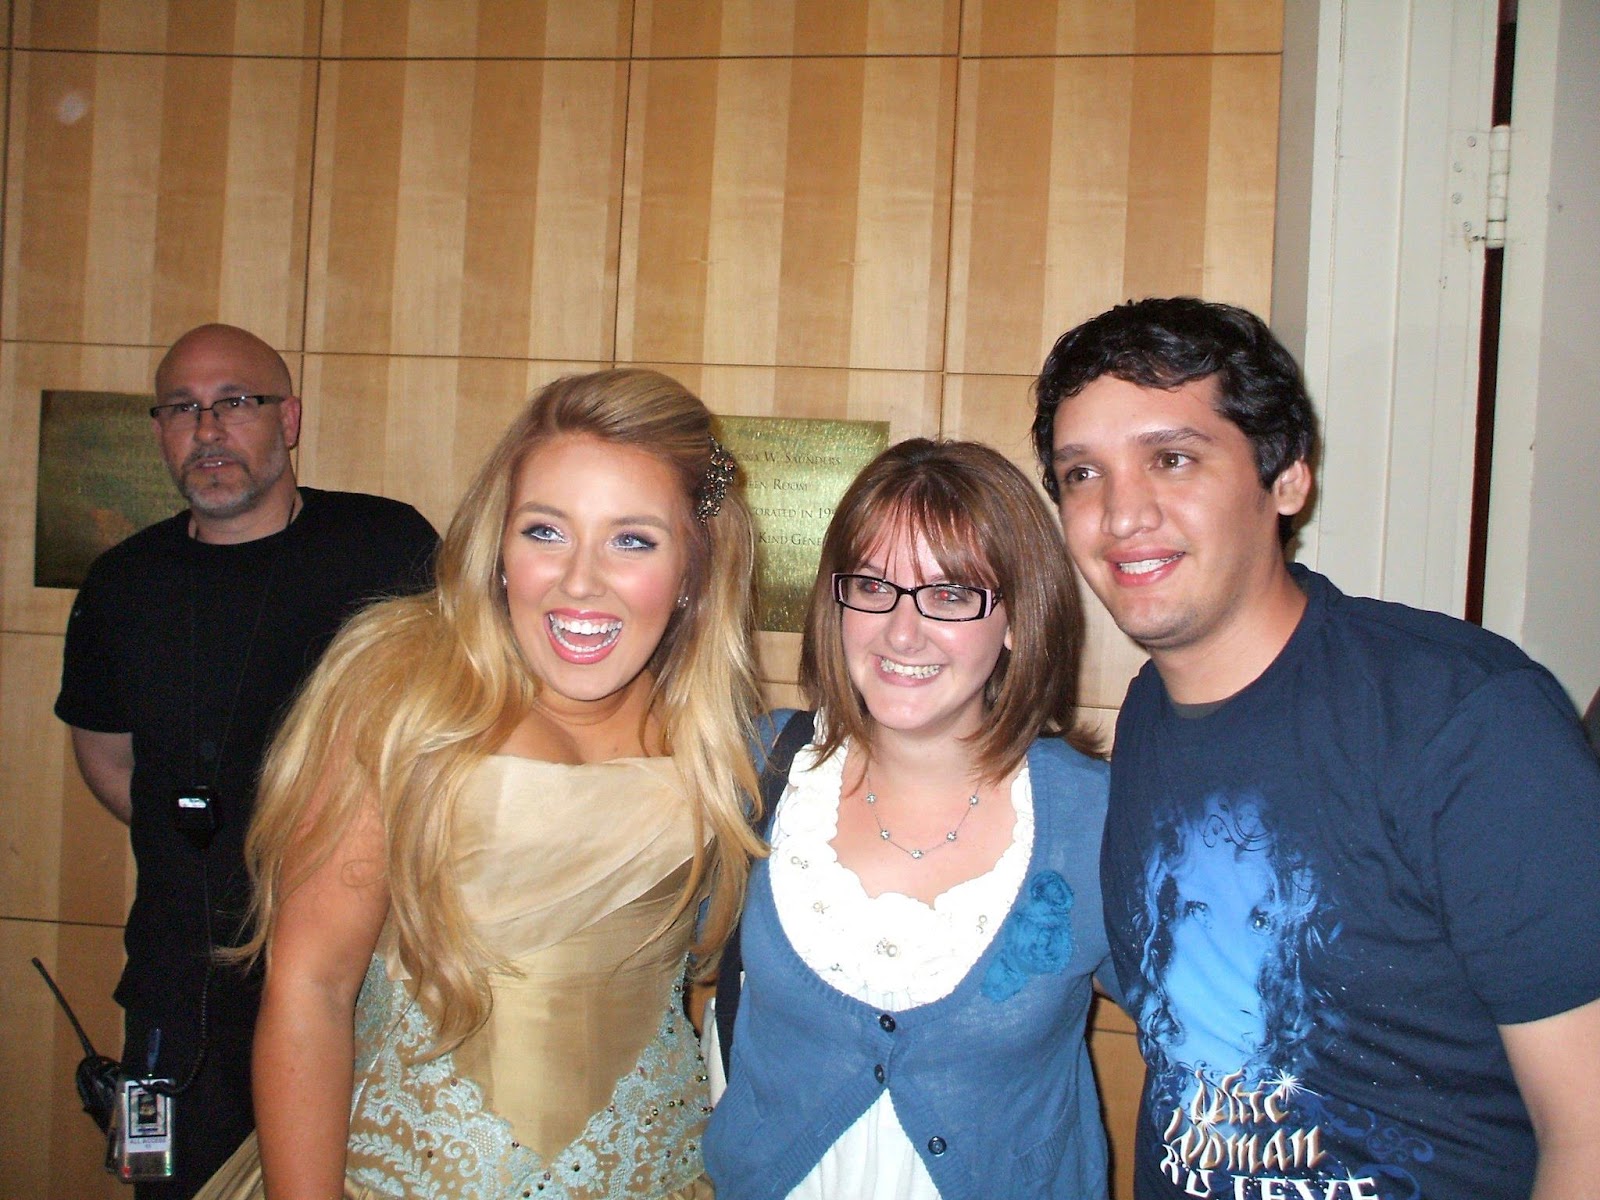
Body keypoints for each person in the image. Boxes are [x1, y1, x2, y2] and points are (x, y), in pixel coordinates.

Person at [1033, 296, 1600, 1200]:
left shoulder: (1462, 719)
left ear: (1287, 478)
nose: (1121, 512)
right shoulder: (1147, 720)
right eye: (1082, 474)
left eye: (1172, 458)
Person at [195, 369, 764, 1200]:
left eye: (632, 541)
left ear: (694, 567)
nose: (579, 580)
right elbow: (311, 988)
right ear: (498, 546)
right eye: (545, 532)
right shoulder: (401, 689)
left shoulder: (715, 734)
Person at [54, 324, 438, 1198]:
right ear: (160, 430)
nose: (207, 429)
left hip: (360, 979)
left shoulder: (385, 546)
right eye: (181, 408)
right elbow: (108, 759)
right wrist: (217, 841)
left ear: (288, 420)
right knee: (166, 1182)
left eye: (235, 402)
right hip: (177, 988)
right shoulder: (121, 583)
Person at [705, 439, 1113, 1200]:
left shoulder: (1093, 818)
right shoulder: (758, 771)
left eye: (950, 595)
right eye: (872, 586)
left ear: (1018, 619)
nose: (901, 632)